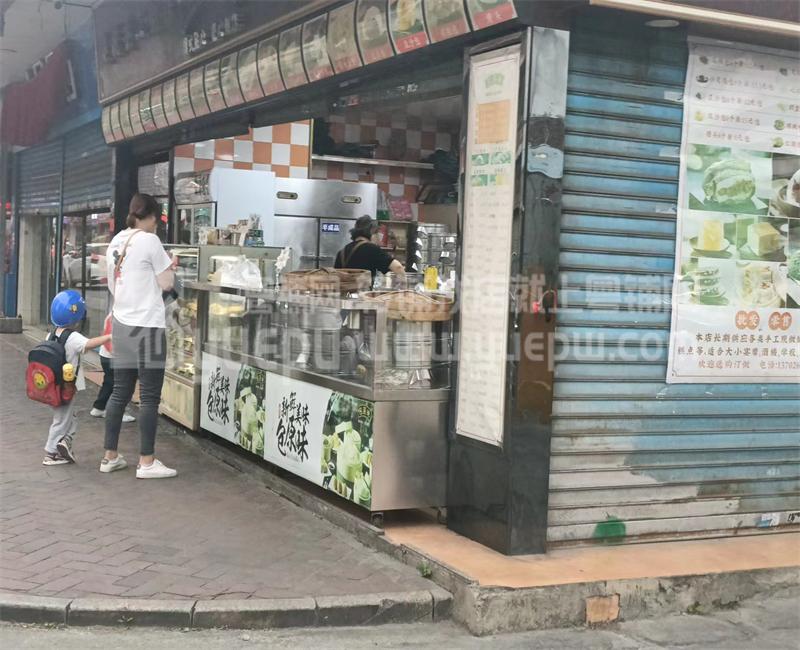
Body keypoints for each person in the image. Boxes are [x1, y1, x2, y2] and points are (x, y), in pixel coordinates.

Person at [102, 193, 177, 479]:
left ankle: (110, 456)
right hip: (148, 327)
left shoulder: (116, 241)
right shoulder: (150, 240)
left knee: (120, 391)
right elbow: (167, 283)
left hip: (122, 323)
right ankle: (146, 462)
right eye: (157, 219)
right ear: (152, 216)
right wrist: (170, 265)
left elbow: (113, 285)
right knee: (149, 397)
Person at [43, 290, 111, 466]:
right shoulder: (72, 337)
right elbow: (88, 344)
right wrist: (109, 337)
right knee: (61, 420)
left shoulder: (51, 334)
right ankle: (51, 454)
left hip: (52, 386)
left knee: (69, 417)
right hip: (65, 387)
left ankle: (64, 442)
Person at [89, 315, 136, 423]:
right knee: (122, 385)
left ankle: (99, 407)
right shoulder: (121, 317)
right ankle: (118, 412)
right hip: (114, 356)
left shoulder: (114, 315)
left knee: (109, 382)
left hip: (107, 355)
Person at [334, 215, 405, 282]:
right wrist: (404, 286)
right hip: (364, 290)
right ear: (372, 232)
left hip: (344, 291)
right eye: (377, 234)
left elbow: (335, 277)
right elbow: (398, 267)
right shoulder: (372, 249)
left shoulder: (341, 252)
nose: (379, 238)